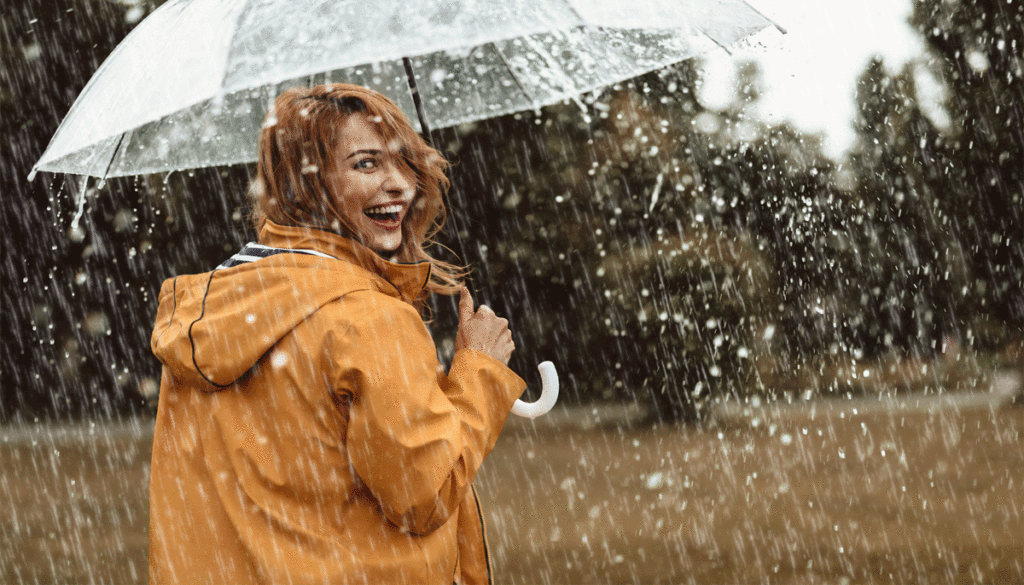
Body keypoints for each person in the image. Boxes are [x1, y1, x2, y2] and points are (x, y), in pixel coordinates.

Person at [148, 83, 526, 585]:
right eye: (366, 164)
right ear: (307, 184)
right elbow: (422, 495)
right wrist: (478, 372)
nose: (402, 186)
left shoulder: (218, 309)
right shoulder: (367, 320)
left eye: (404, 162)